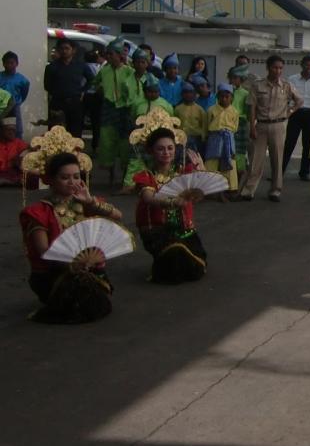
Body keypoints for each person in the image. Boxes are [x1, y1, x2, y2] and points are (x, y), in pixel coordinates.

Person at [17, 129, 123, 322]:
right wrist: (74, 264)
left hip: (86, 269)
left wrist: (90, 202)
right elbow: (44, 251)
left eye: (76, 176)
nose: (72, 182)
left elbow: (118, 215)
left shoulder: (85, 203)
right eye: (65, 177)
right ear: (50, 179)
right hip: (53, 273)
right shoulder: (39, 212)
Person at [133, 124, 207, 283]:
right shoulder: (146, 176)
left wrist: (202, 174)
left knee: (196, 265)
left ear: (175, 149)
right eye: (160, 149)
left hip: (185, 230)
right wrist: (173, 202)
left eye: (170, 148)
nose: (166, 152)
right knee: (174, 259)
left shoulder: (183, 173)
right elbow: (149, 198)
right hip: (157, 231)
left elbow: (198, 196)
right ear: (151, 151)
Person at [240, 54, 301, 202]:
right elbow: (252, 107)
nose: (278, 71)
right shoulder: (258, 85)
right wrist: (252, 126)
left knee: (277, 159)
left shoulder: (286, 86)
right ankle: (249, 190)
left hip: (278, 125)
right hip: (261, 125)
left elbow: (299, 100)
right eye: (275, 67)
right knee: (256, 159)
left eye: (280, 68)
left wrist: (289, 112)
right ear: (268, 68)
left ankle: (275, 190)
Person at [92, 40, 144, 188]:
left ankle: (124, 176)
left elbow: (136, 90)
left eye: (111, 54)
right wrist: (100, 89)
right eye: (107, 54)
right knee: (107, 140)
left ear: (120, 55)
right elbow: (95, 83)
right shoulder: (104, 71)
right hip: (109, 108)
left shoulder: (129, 71)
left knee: (125, 142)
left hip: (125, 109)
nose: (109, 57)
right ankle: (110, 174)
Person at [283, 54, 310, 181]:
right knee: (289, 142)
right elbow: (287, 97)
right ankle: (280, 170)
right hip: (296, 113)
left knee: (308, 144)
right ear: (302, 65)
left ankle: (304, 172)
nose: (309, 68)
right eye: (307, 65)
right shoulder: (292, 79)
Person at [44, 38, 93, 139]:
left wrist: (83, 91)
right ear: (58, 50)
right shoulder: (52, 67)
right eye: (61, 48)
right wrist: (57, 93)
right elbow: (47, 85)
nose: (64, 51)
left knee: (75, 133)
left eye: (67, 48)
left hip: (75, 102)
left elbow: (91, 79)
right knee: (56, 134)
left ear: (73, 50)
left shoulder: (80, 65)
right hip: (58, 103)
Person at [204, 83, 240, 193]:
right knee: (211, 161)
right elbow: (206, 125)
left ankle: (231, 188)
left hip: (228, 138)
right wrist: (206, 138)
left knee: (230, 161)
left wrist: (228, 133)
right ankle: (208, 188)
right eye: (221, 96)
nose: (224, 99)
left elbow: (235, 127)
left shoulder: (234, 112)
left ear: (231, 98)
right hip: (214, 137)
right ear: (217, 97)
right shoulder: (211, 110)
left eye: (227, 97)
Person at [0, 51, 31, 138]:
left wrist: (18, 101)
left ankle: (18, 144)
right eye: (7, 63)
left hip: (15, 107)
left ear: (17, 64)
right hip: (1, 107)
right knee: (2, 129)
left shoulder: (22, 80)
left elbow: (24, 93)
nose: (9, 65)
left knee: (16, 130)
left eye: (12, 63)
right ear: (3, 64)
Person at [174, 82, 206, 154]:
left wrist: (203, 139)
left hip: (196, 139)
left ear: (194, 94)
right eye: (186, 92)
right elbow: (175, 125)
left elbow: (204, 126)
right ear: (182, 94)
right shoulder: (177, 109)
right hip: (181, 138)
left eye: (190, 92)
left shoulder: (200, 109)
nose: (188, 95)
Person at [0, 116, 30, 185]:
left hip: (13, 174)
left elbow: (30, 148)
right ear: (1, 130)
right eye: (9, 130)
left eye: (14, 130)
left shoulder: (17, 142)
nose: (12, 132)